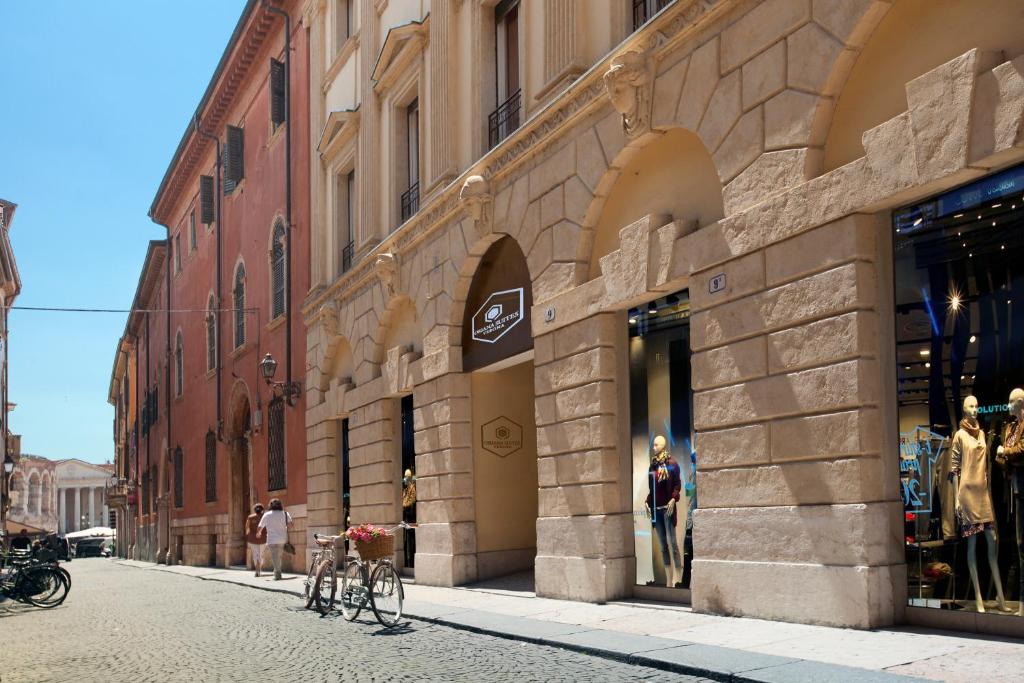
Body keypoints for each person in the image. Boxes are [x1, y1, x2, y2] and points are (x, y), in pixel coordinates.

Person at [257, 498, 292, 580]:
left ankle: (277, 573)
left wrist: (258, 533)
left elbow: (260, 526)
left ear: (270, 505)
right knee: (278, 556)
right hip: (282, 538)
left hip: (271, 539)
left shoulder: (267, 514)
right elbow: (291, 525)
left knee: (274, 556)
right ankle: (277, 571)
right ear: (280, 505)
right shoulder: (285, 514)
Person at [245, 503, 266, 577]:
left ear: (254, 510)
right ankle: (259, 569)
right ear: (262, 509)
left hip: (252, 539)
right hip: (263, 538)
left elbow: (247, 528)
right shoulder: (264, 517)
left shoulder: (250, 517)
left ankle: (257, 570)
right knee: (261, 555)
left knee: (255, 554)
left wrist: (248, 534)